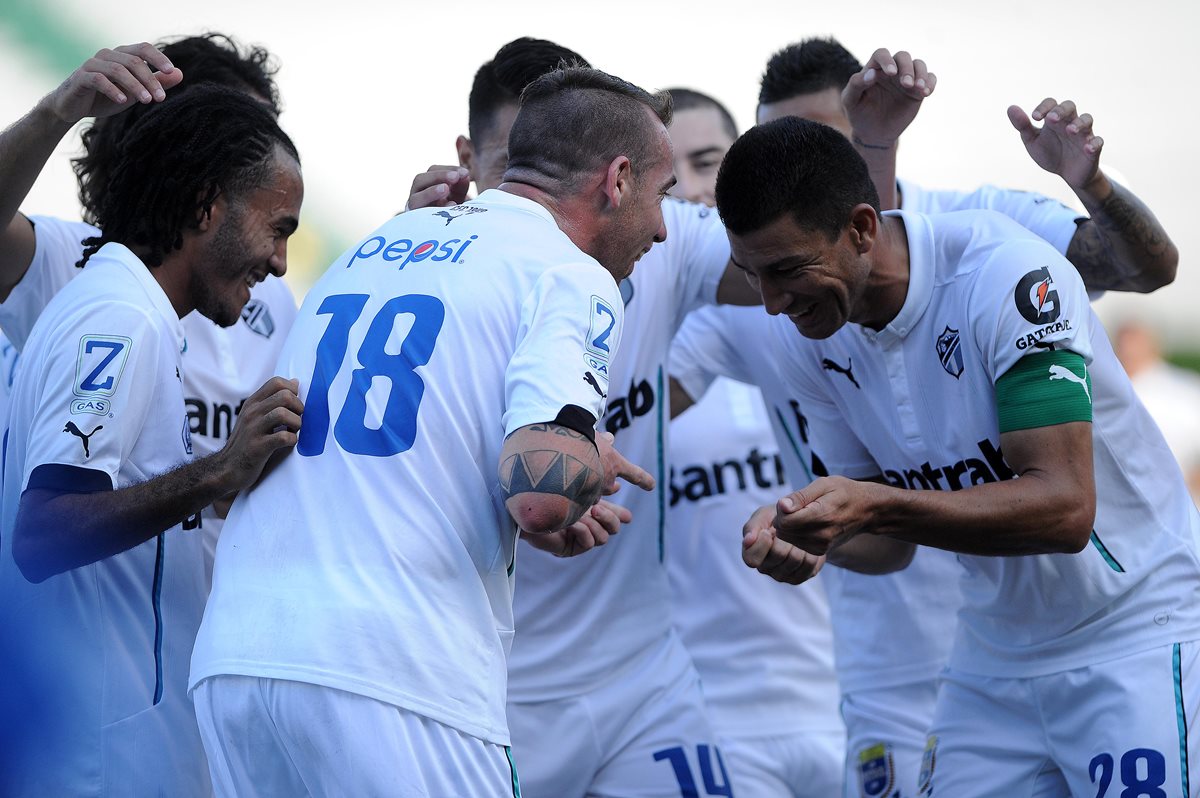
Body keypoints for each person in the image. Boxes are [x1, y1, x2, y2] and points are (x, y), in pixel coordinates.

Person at [189, 66, 667, 796]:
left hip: (238, 659)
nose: (664, 229)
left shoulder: (370, 248)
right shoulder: (571, 275)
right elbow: (542, 493)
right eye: (663, 196)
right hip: (396, 675)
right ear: (620, 179)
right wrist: (583, 464)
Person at [727, 38, 1181, 796]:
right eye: (751, 275)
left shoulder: (1006, 275)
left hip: (1133, 632)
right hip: (991, 656)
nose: (772, 303)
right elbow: (887, 546)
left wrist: (873, 504)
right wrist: (812, 534)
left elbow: (1065, 507)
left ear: (862, 229)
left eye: (787, 272)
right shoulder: (804, 336)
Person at [406, 39, 747, 796]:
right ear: (470, 159)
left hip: (642, 677)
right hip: (493, 693)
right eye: (512, 170)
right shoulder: (427, 266)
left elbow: (798, 263)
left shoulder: (653, 240)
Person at [0, 84, 304, 796]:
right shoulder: (117, 320)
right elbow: (42, 532)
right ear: (206, 206)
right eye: (278, 227)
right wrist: (216, 473)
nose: (282, 263)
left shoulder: (131, 311)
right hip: (92, 763)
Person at [663, 86, 846, 797]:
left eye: (709, 161)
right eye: (668, 178)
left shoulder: (813, 326)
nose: (692, 191)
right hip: (710, 726)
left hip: (852, 705)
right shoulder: (635, 358)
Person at [1115, 319, 1200, 502]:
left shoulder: (1185, 390)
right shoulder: (1106, 388)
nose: (1129, 351)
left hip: (1178, 501)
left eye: (1135, 343)